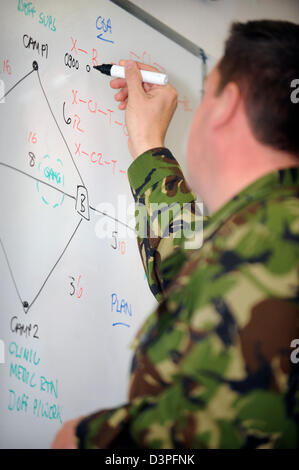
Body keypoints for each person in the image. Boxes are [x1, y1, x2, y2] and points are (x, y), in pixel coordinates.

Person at [52, 20, 299, 449]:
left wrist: (89, 441)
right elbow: (195, 266)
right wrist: (148, 145)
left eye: (208, 95)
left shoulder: (268, 243)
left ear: (227, 106)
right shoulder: (270, 233)